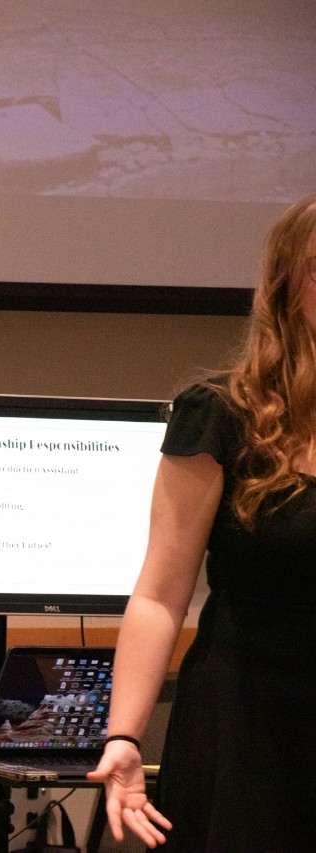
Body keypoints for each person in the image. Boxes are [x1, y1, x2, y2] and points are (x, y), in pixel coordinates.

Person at [88, 193, 316, 851]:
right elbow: (160, 593)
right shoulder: (220, 412)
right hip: (246, 733)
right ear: (285, 284)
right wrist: (125, 734)